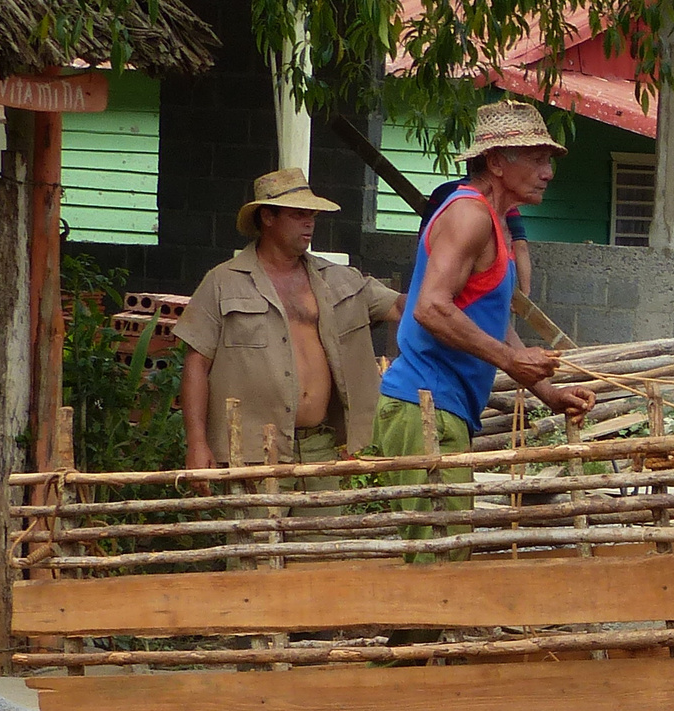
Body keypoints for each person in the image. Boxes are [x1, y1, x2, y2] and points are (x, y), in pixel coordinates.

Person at [374, 101, 594, 559]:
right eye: (535, 158)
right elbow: (431, 309)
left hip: (439, 407)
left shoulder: (493, 224)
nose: (547, 172)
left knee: (445, 553)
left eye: (547, 159)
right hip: (424, 404)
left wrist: (548, 392)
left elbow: (487, 320)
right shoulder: (469, 215)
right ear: (495, 162)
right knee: (440, 558)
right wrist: (510, 360)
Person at [176, 168, 404, 503]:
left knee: (317, 548)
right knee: (256, 549)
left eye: (311, 215)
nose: (309, 223)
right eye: (298, 214)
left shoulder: (340, 280)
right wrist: (197, 442)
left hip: (319, 444)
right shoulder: (223, 282)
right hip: (251, 450)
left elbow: (403, 308)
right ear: (267, 217)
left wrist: (455, 272)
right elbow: (196, 365)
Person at [426, 176, 532, 297]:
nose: (547, 174)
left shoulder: (443, 191)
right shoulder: (476, 207)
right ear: (495, 165)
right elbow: (520, 246)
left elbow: (425, 234)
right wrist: (525, 291)